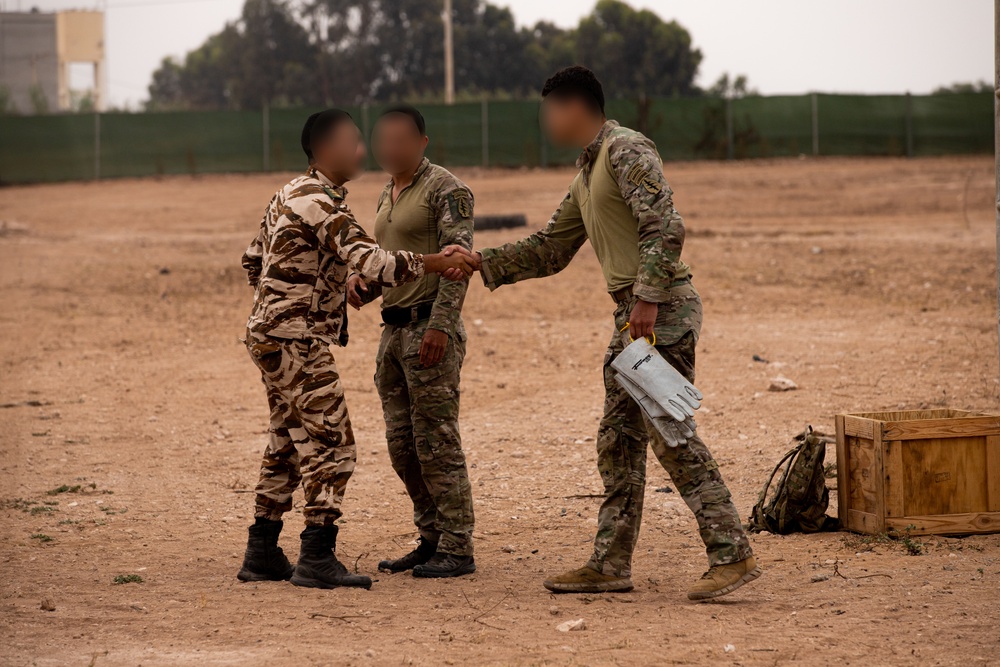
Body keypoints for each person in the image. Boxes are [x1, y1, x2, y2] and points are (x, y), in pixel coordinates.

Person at [465, 66, 760, 600]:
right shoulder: (586, 172)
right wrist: (479, 262)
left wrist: (646, 298)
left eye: (548, 109)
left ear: (573, 106)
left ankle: (731, 552)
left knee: (670, 434)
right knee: (619, 442)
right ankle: (610, 564)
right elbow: (550, 248)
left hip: (659, 309)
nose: (545, 120)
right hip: (634, 314)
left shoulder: (625, 148)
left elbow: (666, 224)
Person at [237, 108, 476, 590]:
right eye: (354, 142)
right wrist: (435, 261)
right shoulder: (323, 202)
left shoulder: (288, 192)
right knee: (333, 445)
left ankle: (262, 549)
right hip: (296, 340)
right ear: (327, 149)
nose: (364, 151)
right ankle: (317, 556)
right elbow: (374, 260)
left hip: (269, 335)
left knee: (287, 440)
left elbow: (252, 260)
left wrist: (290, 298)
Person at [346, 105, 477, 578]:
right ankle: (431, 538)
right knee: (403, 445)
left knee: (437, 442)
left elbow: (457, 263)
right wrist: (368, 286)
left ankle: (458, 548)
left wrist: (441, 325)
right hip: (393, 329)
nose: (391, 149)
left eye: (402, 140)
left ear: (422, 142)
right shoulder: (387, 192)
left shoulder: (446, 189)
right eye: (384, 141)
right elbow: (398, 261)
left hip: (428, 329)